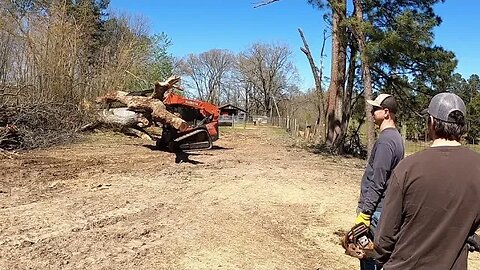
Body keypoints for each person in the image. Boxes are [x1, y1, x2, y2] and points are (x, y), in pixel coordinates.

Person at [374, 92, 480, 269]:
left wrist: (380, 258)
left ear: (431, 122)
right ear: (462, 126)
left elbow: (384, 239)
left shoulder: (407, 168)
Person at [355, 93, 405, 270]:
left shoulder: (385, 141)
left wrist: (365, 213)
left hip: (375, 210)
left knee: (369, 256)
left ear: (386, 112)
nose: (371, 112)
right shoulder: (396, 138)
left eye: (375, 109)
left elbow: (378, 180)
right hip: (383, 208)